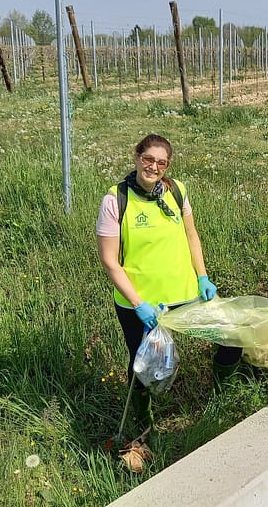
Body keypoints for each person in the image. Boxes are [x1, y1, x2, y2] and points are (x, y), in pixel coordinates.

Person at [96, 133, 242, 396]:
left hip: (185, 293)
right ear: (137, 158)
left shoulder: (177, 191)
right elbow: (109, 261)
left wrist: (203, 277)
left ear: (168, 165)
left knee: (231, 339)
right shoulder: (116, 200)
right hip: (140, 302)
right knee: (143, 367)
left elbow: (191, 235)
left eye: (161, 163)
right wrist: (138, 304)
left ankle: (223, 395)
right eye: (148, 159)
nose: (153, 167)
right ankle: (142, 427)